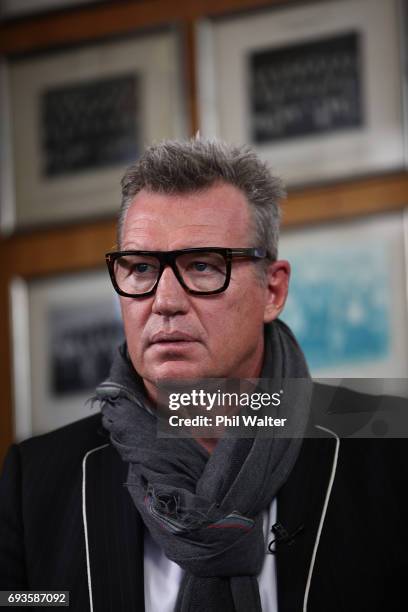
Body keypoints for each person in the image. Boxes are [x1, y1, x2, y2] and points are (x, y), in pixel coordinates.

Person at [0, 138, 407, 612]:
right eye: (140, 268)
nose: (165, 301)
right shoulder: (36, 482)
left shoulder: (390, 447)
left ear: (272, 290)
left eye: (202, 265)